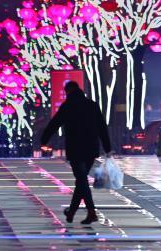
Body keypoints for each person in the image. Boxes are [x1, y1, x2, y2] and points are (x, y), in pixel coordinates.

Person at [40, 80, 112, 225]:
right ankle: (72, 211)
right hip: (91, 148)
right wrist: (107, 147)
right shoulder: (92, 105)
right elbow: (102, 127)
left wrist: (44, 139)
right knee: (81, 179)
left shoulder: (68, 106)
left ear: (68, 91)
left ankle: (91, 211)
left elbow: (55, 123)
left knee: (81, 179)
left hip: (76, 148)